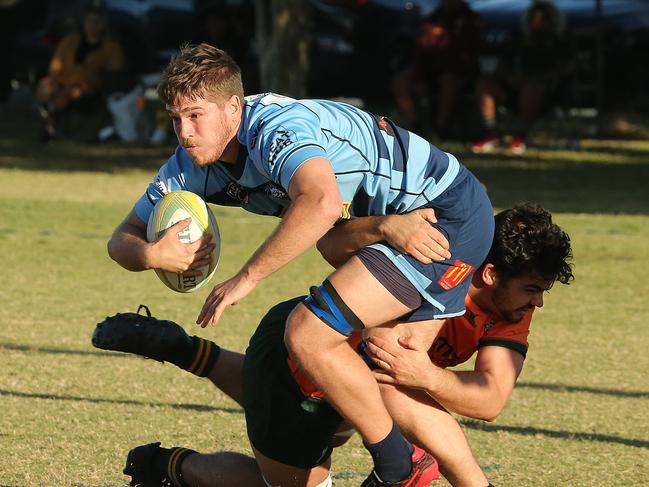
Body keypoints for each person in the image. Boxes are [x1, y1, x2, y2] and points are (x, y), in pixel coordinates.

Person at [107, 43, 494, 486]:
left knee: (310, 334)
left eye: (195, 115)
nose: (185, 131)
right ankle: (411, 466)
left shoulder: (277, 129)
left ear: (233, 107)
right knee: (385, 369)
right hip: (383, 229)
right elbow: (120, 239)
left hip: (441, 214)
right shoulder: (191, 166)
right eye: (175, 119)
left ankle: (397, 466)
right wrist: (152, 254)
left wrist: (245, 279)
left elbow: (321, 202)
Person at [95, 204, 573, 487]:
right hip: (295, 356)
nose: (539, 303)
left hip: (332, 384)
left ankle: (184, 349)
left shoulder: (510, 306)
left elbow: (489, 397)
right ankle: (169, 465)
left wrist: (427, 376)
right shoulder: (434, 260)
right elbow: (332, 241)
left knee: (353, 407)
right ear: (490, 275)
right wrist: (386, 225)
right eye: (533, 289)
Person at [471, 0, 572, 154]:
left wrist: (538, 78)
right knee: (484, 84)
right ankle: (491, 132)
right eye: (534, 18)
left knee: (532, 86)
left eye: (542, 19)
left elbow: (566, 68)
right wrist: (510, 77)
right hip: (513, 90)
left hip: (543, 94)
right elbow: (501, 66)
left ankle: (520, 135)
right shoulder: (517, 40)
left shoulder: (559, 43)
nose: (536, 23)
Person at [393, 0, 481, 139]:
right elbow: (421, 52)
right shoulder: (433, 19)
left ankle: (440, 127)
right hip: (430, 70)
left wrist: (445, 38)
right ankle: (415, 126)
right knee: (401, 82)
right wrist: (419, 78)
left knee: (449, 81)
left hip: (457, 71)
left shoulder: (469, 19)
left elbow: (466, 54)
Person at [35, 2, 124, 140]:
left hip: (85, 86)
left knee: (65, 94)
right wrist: (55, 80)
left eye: (97, 22)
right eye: (89, 21)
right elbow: (56, 65)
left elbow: (114, 72)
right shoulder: (70, 41)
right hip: (62, 79)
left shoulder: (110, 47)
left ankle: (49, 125)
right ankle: (49, 121)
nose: (92, 25)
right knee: (45, 86)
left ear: (103, 25)